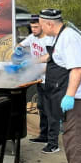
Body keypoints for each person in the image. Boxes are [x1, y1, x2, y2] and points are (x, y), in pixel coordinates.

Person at [37, 9, 81, 163]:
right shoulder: (61, 36)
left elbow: (77, 68)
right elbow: (53, 58)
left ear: (50, 24)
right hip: (68, 92)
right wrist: (29, 63)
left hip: (77, 96)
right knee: (71, 133)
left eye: (42, 25)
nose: (41, 28)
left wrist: (70, 96)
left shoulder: (69, 38)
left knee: (75, 134)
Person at [18, 15, 53, 148]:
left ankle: (52, 141)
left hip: (49, 79)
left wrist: (33, 71)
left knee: (50, 111)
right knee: (42, 108)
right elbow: (21, 45)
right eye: (32, 27)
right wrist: (18, 50)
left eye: (36, 27)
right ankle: (43, 136)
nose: (33, 29)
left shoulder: (49, 40)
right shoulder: (32, 37)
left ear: (43, 26)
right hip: (39, 80)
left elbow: (52, 60)